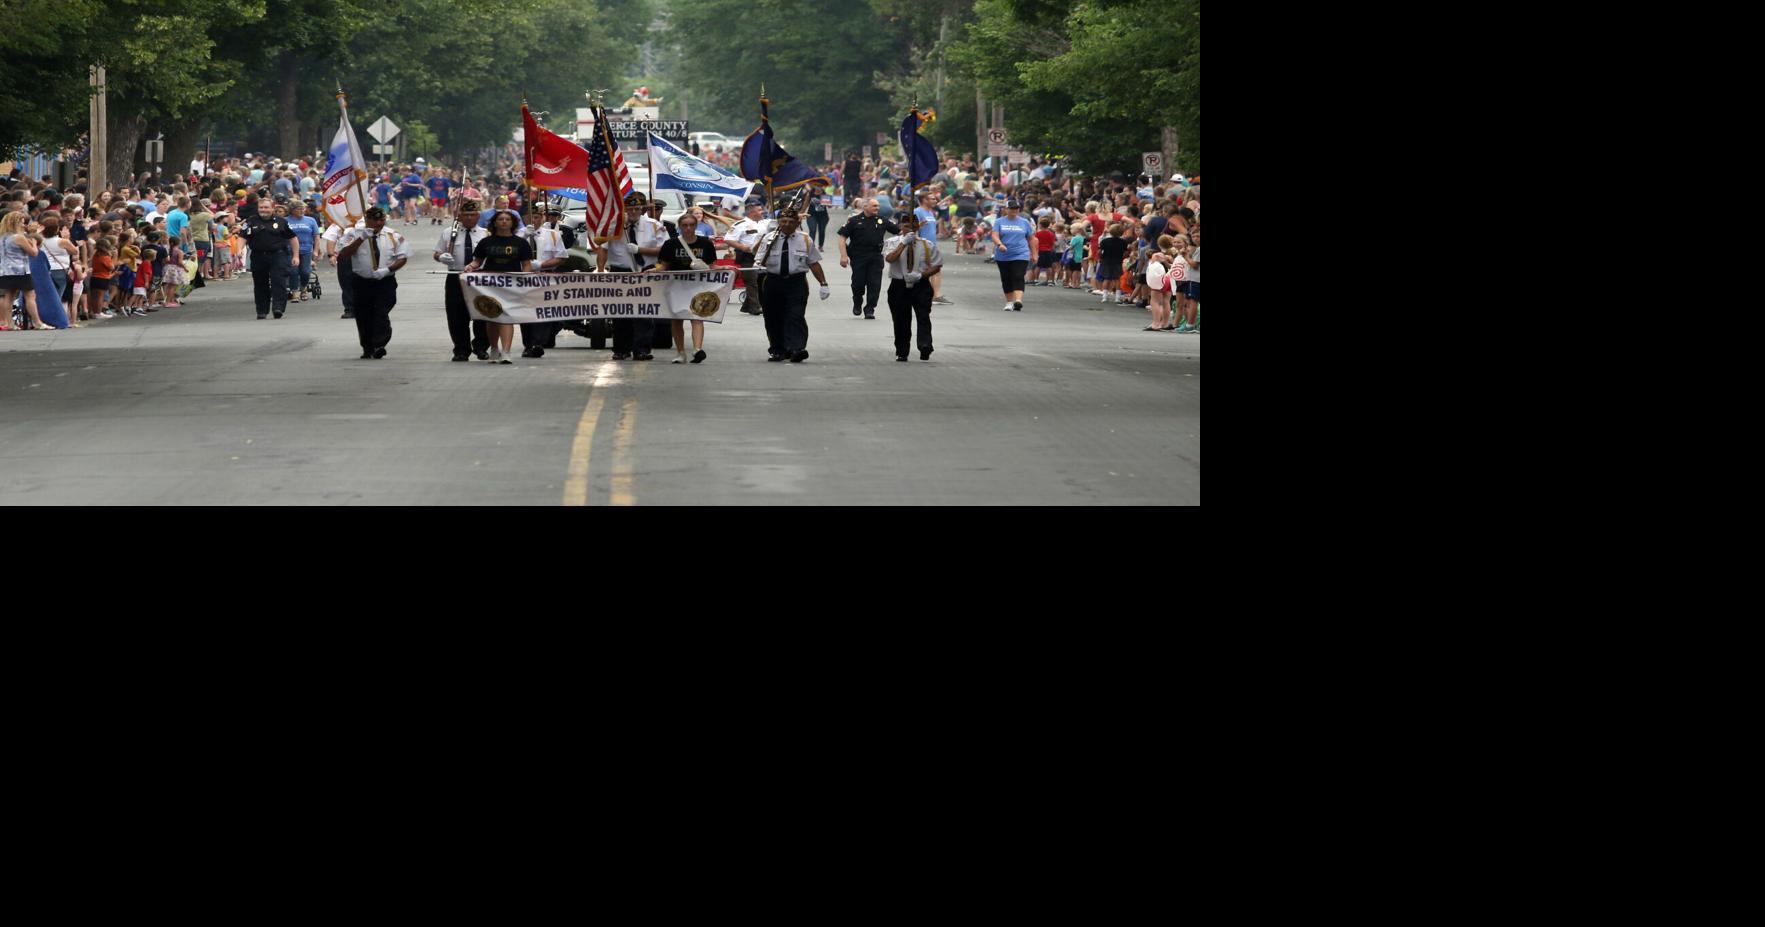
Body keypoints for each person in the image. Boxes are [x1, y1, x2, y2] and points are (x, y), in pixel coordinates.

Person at [753, 206, 830, 363]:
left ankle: (797, 348)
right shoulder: (768, 238)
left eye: (790, 221)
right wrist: (767, 243)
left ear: (797, 223)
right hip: (773, 281)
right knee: (773, 317)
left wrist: (823, 283)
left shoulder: (805, 239)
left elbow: (814, 263)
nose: (787, 224)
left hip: (797, 282)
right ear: (778, 222)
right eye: (783, 221)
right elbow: (757, 259)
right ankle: (777, 350)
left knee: (795, 315)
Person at [597, 192, 666, 361]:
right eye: (630, 209)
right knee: (620, 314)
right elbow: (603, 248)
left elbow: (664, 250)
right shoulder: (615, 225)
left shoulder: (654, 225)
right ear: (624, 209)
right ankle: (621, 349)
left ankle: (642, 349)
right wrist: (600, 270)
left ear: (642, 209)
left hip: (645, 272)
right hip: (620, 273)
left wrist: (640, 250)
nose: (633, 212)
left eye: (637, 208)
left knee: (643, 313)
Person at [335, 207, 409, 359]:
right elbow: (344, 253)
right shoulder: (352, 234)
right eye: (374, 220)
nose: (378, 223)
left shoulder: (393, 235)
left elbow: (402, 258)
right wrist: (361, 238)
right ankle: (368, 347)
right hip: (362, 282)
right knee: (363, 315)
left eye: (381, 220)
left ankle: (379, 343)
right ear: (367, 220)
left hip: (385, 281)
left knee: (380, 312)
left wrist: (387, 270)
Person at [464, 209, 533, 364]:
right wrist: (470, 266)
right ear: (494, 222)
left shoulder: (521, 243)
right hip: (490, 285)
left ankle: (506, 352)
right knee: (493, 317)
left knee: (507, 317)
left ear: (512, 223)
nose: (503, 221)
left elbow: (526, 264)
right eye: (500, 219)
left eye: (507, 219)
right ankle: (494, 348)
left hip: (511, 285)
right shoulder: (486, 242)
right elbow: (478, 261)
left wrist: (525, 279)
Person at [656, 205, 719, 364]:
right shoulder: (670, 244)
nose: (688, 228)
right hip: (676, 286)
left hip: (697, 286)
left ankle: (697, 349)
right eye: (685, 225)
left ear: (696, 226)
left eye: (691, 225)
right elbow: (663, 266)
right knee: (677, 319)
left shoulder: (706, 244)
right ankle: (680, 352)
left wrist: (726, 268)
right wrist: (653, 271)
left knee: (697, 316)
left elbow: (712, 266)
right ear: (680, 227)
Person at [433, 199, 490, 361]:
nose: (469, 218)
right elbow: (437, 253)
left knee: (482, 314)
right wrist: (441, 257)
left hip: (480, 279)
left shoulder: (486, 234)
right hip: (455, 277)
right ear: (460, 216)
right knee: (456, 316)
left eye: (473, 214)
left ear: (478, 216)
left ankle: (481, 347)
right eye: (465, 215)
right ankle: (461, 349)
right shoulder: (449, 233)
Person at [883, 210, 942, 362]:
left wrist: (922, 275)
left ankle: (925, 346)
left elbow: (936, 265)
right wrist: (903, 243)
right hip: (899, 285)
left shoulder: (927, 245)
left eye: (913, 226)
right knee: (901, 319)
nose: (910, 229)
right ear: (901, 226)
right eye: (906, 226)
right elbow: (890, 258)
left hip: (920, 285)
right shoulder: (892, 242)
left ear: (918, 227)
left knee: (923, 316)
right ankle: (902, 351)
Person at [519, 202, 569, 358]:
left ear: (542, 218)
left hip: (545, 277)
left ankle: (538, 343)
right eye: (530, 216)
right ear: (525, 218)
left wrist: (541, 264)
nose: (533, 220)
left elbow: (560, 257)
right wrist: (523, 237)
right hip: (524, 278)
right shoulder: (517, 235)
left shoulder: (552, 235)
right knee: (526, 314)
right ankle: (528, 344)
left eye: (537, 216)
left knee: (544, 313)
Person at [835, 198, 896, 320]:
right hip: (858, 257)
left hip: (875, 256)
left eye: (878, 206)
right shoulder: (854, 221)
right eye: (874, 206)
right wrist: (843, 256)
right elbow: (842, 238)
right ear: (865, 207)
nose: (877, 208)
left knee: (875, 284)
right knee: (858, 283)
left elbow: (899, 230)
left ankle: (870, 309)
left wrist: (912, 226)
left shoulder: (882, 220)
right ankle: (857, 302)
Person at [239, 197, 298, 319]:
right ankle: (262, 310)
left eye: (266, 207)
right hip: (258, 255)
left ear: (272, 208)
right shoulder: (250, 221)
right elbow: (243, 236)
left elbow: (293, 238)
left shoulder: (281, 221)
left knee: (279, 281)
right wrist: (239, 249)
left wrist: (296, 255)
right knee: (260, 283)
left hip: (278, 255)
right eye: (261, 207)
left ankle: (278, 308)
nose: (263, 210)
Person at [1, 210, 48, 330]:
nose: (24, 225)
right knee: (30, 295)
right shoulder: (19, 238)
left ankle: (9, 323)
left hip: (5, 270)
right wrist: (34, 243)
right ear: (15, 223)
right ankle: (37, 322)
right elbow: (33, 253)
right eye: (22, 223)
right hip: (20, 270)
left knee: (9, 295)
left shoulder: (2, 237)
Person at [989, 199, 1035, 311]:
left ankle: (1018, 301)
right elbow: (995, 235)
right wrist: (1000, 244)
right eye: (1012, 208)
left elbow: (1031, 238)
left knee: (1018, 275)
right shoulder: (999, 221)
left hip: (1021, 253)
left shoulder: (1024, 222)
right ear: (1006, 209)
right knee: (1006, 278)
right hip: (1003, 255)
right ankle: (1009, 302)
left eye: (1016, 208)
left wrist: (1034, 253)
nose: (1014, 210)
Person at [725, 199, 770, 315]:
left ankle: (747, 305)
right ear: (752, 213)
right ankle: (755, 307)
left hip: (762, 256)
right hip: (747, 256)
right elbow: (728, 239)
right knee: (751, 281)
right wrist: (741, 246)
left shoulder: (765, 223)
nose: (763, 212)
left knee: (760, 280)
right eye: (760, 210)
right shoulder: (740, 224)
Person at [284, 200, 321, 302]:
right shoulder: (285, 220)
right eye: (299, 209)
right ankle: (295, 292)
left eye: (303, 208)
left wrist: (316, 251)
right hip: (290, 250)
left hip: (306, 250)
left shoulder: (311, 220)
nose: (302, 211)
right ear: (292, 210)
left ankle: (303, 288)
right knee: (293, 271)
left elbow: (316, 237)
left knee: (305, 271)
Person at [1096, 222, 1129, 305]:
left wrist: (1100, 257)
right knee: (1117, 279)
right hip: (1117, 261)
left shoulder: (1105, 241)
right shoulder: (1123, 242)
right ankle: (1117, 298)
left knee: (1106, 278)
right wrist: (1122, 257)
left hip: (1106, 260)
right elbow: (1125, 253)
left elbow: (1099, 251)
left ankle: (1104, 296)